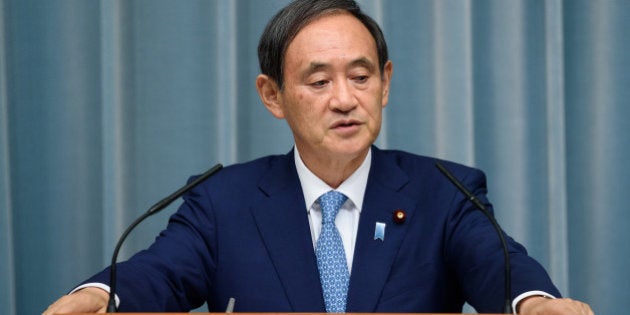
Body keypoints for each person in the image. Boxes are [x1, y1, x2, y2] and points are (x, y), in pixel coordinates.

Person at [44, 0, 594, 314]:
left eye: (361, 76)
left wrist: (536, 303)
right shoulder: (222, 201)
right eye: (318, 80)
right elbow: (157, 273)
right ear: (272, 95)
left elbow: (498, 266)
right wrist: (100, 295)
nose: (344, 98)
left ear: (385, 83)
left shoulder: (442, 190)